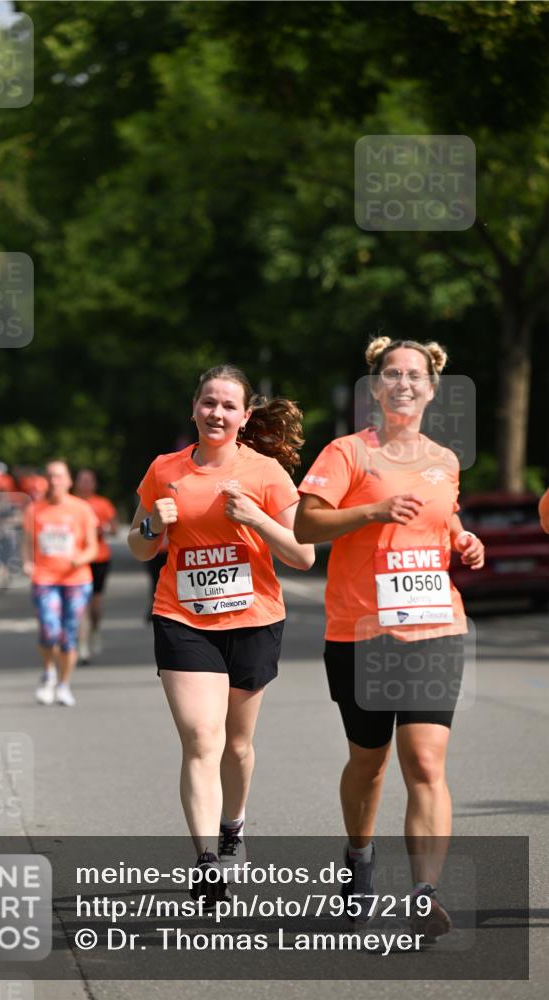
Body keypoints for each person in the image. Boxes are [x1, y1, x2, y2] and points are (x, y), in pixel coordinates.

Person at [294, 337, 485, 941]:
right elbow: (305, 523)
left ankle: (425, 893)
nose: (404, 383)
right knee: (369, 762)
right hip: (361, 630)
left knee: (426, 761)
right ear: (376, 387)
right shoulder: (348, 452)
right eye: (392, 374)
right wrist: (371, 513)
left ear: (431, 389)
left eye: (414, 375)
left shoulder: (445, 460)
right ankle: (359, 857)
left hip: (435, 626)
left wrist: (462, 539)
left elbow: (442, 518)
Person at [128, 364, 315, 906]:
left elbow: (303, 555)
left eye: (229, 406)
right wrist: (153, 524)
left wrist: (256, 518)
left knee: (236, 744)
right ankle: (208, 862)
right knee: (201, 738)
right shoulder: (164, 470)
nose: (217, 413)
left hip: (254, 620)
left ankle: (233, 826)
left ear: (245, 416)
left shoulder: (266, 473)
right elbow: (139, 544)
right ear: (194, 408)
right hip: (183, 618)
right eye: (208, 402)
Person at [22, 460, 98, 707]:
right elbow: (27, 543)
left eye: (59, 476)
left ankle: (64, 685)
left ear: (68, 481)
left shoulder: (82, 509)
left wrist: (80, 559)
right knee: (49, 629)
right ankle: (48, 674)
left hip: (76, 580)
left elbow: (93, 547)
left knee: (68, 634)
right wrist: (27, 562)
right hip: (45, 579)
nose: (54, 481)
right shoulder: (35, 509)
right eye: (50, 476)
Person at [74, 469, 119, 662]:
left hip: (100, 558)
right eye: (82, 480)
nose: (85, 484)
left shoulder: (103, 504)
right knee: (81, 603)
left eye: (89, 480)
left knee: (95, 604)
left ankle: (95, 630)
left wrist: (103, 529)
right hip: (78, 559)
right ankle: (82, 644)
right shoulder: (71, 503)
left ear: (94, 484)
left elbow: (114, 529)